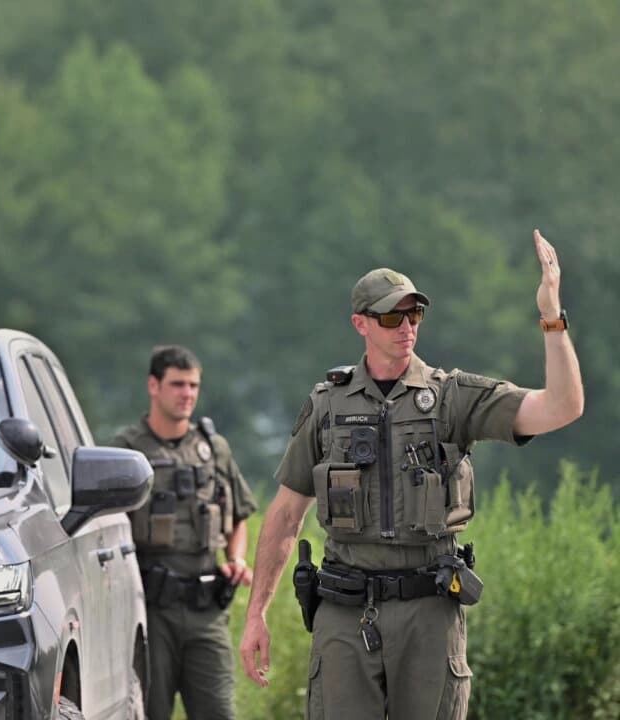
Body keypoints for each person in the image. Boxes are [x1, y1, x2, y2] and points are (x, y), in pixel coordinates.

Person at [238, 229, 584, 719]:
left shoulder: (451, 397)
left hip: (429, 611)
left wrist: (551, 315)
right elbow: (285, 515)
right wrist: (256, 615)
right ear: (361, 323)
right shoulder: (328, 405)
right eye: (391, 315)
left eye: (414, 313)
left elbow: (563, 407)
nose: (406, 325)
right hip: (345, 610)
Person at [111, 345, 258, 720]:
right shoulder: (126, 452)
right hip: (150, 609)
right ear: (153, 385)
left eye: (193, 385)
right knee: (149, 710)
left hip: (206, 608)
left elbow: (238, 513)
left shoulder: (213, 448)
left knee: (218, 711)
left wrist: (236, 559)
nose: (187, 394)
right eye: (177, 384)